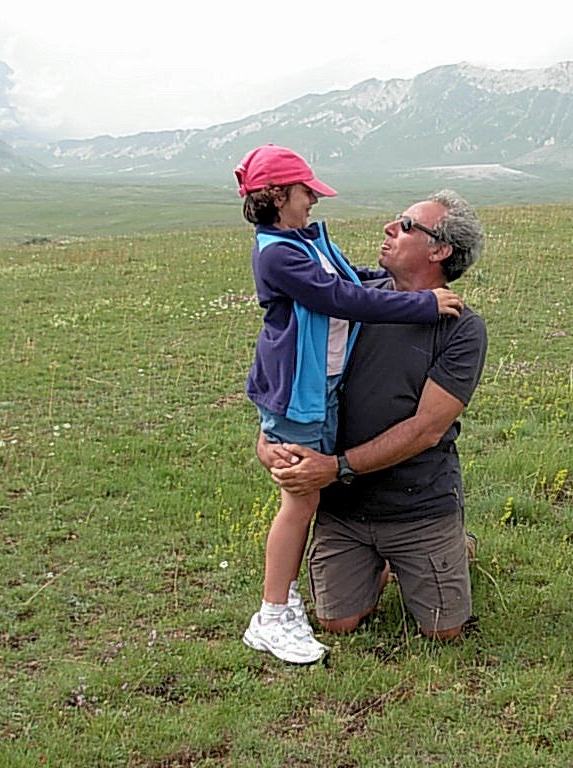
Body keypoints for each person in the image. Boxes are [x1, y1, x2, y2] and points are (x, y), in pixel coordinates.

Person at [235, 145, 465, 664]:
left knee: (307, 496)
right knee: (301, 498)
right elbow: (339, 298)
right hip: (301, 393)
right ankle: (274, 613)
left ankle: (427, 551)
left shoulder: (303, 240)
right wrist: (421, 303)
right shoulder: (277, 253)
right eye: (305, 191)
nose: (314, 199)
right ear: (276, 196)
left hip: (324, 397)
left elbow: (349, 280)